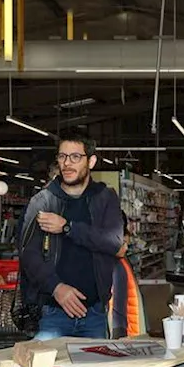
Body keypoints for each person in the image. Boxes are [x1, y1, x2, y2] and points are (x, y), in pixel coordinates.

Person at [19, 132, 124, 340]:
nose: (67, 163)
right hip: (52, 313)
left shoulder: (105, 197)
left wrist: (68, 228)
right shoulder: (42, 201)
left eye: (75, 157)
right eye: (62, 156)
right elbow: (28, 254)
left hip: (94, 314)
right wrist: (56, 287)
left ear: (91, 161)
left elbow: (114, 242)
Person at [109, 211, 145, 338]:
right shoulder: (118, 265)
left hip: (125, 329)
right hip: (123, 331)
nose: (126, 248)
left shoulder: (120, 262)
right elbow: (117, 308)